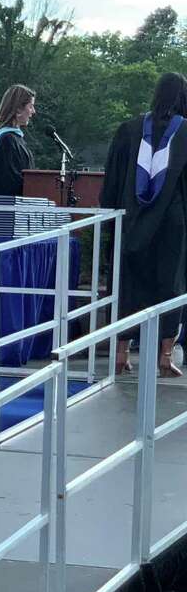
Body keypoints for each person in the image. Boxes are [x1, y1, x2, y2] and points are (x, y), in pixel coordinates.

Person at [102, 71, 187, 376]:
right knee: (171, 285)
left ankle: (121, 354)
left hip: (132, 220)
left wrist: (111, 217)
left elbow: (111, 181)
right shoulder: (186, 133)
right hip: (172, 225)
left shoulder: (129, 129)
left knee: (129, 284)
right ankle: (165, 357)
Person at [0, 84, 37, 196]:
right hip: (7, 208)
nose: (33, 111)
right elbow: (9, 183)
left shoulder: (9, 138)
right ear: (18, 109)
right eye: (30, 106)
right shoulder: (7, 141)